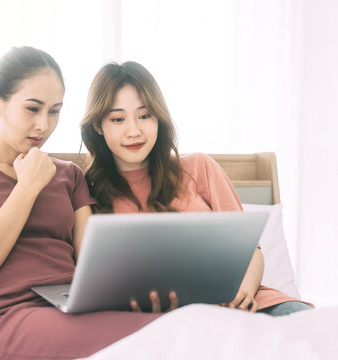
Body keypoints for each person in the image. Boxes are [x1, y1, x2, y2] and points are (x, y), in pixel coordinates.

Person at [0, 47, 170, 360]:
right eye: (33, 109)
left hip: (74, 308)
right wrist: (27, 188)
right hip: (7, 321)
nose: (44, 125)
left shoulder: (68, 174)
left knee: (181, 323)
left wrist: (141, 297)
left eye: (54, 111)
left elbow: (96, 264)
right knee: (166, 336)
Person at [80, 61, 313, 316]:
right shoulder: (86, 192)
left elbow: (252, 252)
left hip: (250, 305)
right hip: (167, 320)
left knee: (313, 330)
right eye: (118, 119)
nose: (134, 130)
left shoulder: (198, 167)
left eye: (145, 115)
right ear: (97, 126)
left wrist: (243, 290)